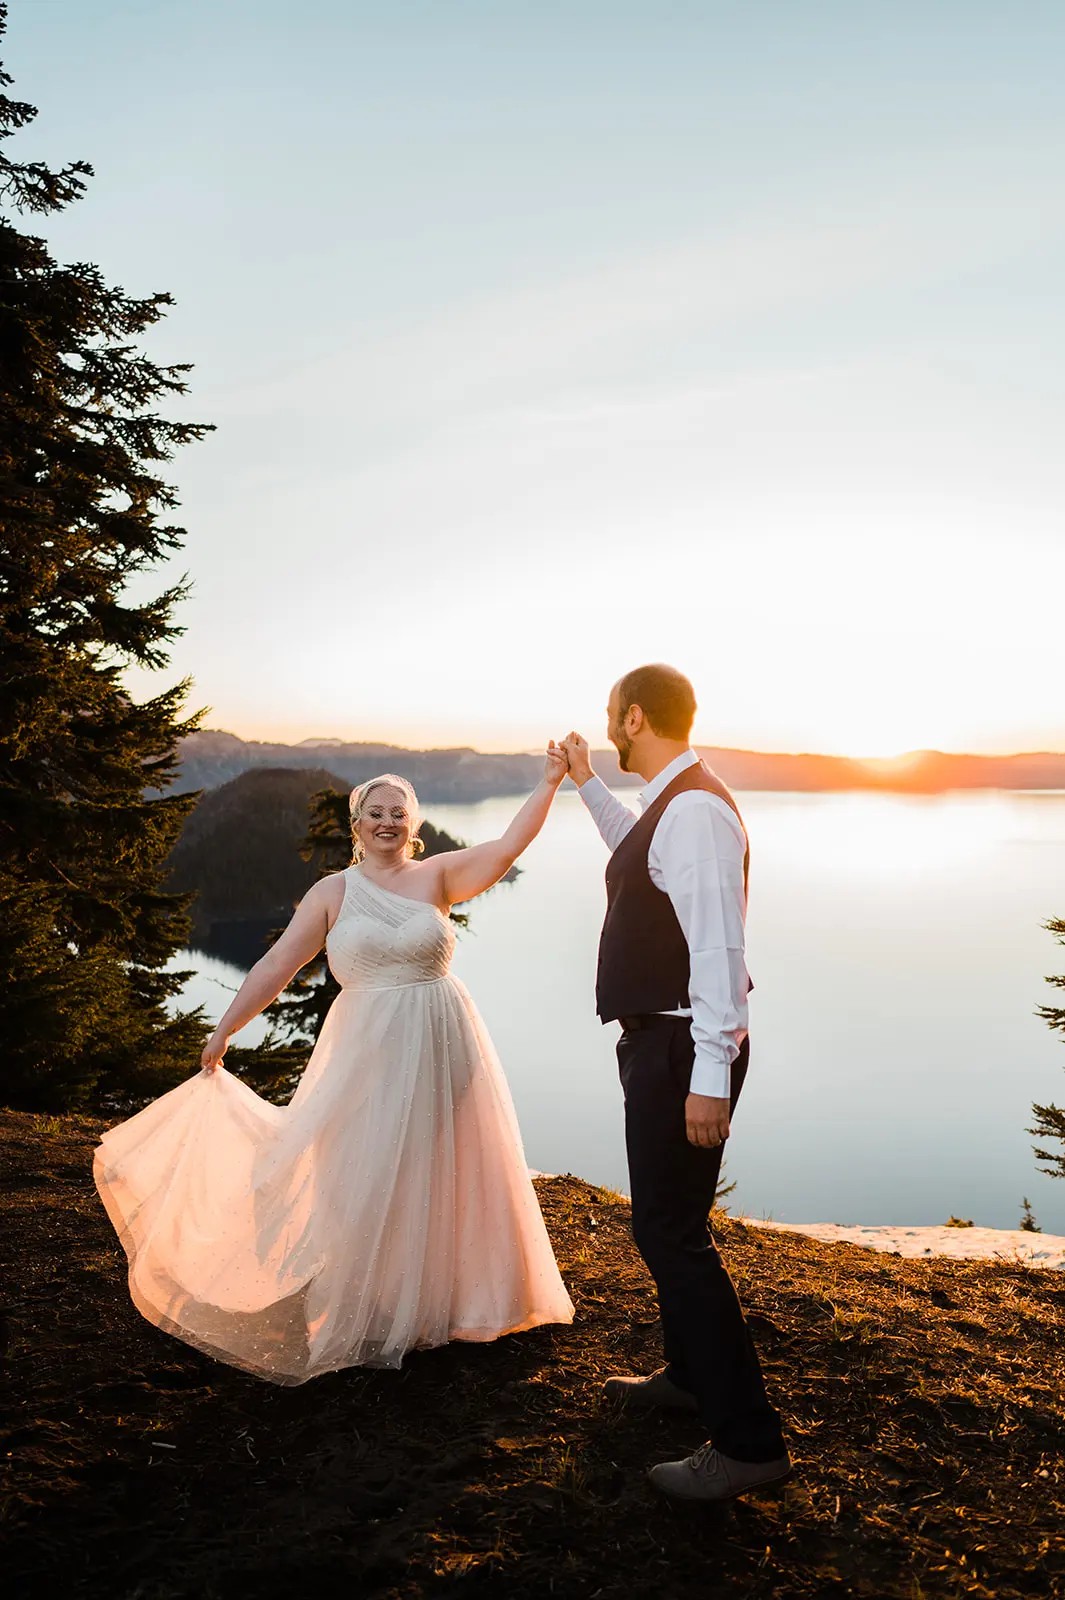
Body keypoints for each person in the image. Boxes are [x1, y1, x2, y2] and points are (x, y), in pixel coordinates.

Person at [94, 756, 575, 1383]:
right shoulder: (333, 893)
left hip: (441, 1038)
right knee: (361, 1161)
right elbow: (276, 966)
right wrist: (224, 1030)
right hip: (365, 1047)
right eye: (375, 813)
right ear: (356, 824)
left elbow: (511, 844)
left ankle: (455, 1298)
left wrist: (549, 781)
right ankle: (375, 1298)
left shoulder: (437, 877)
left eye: (399, 813)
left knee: (444, 1161)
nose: (387, 822)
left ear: (414, 823)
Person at [559, 664, 789, 1501]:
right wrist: (586, 782)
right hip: (667, 1045)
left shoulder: (692, 809)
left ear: (631, 715)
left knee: (669, 1236)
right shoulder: (674, 804)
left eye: (609, 725)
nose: (609, 734)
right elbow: (637, 847)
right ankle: (690, 1380)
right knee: (672, 1225)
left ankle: (747, 1443)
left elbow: (718, 951)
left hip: (681, 1050)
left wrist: (709, 1078)